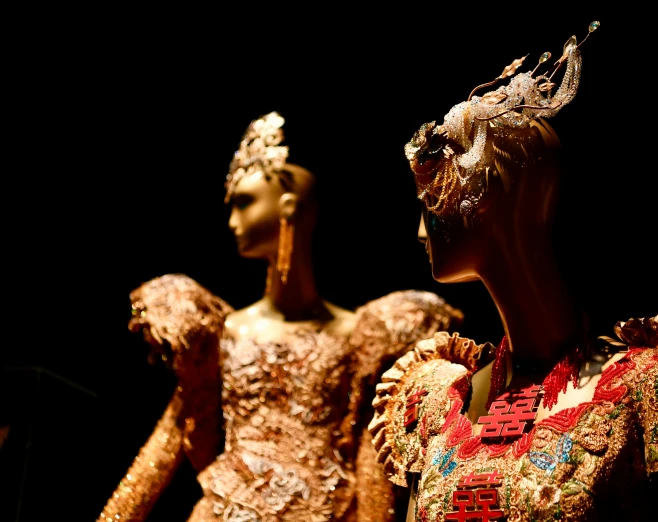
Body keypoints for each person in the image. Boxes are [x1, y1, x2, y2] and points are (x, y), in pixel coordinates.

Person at [369, 21, 658, 522]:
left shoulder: (648, 390)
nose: (420, 231)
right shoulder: (437, 402)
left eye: (431, 203)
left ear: (492, 205)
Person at [98, 112, 463, 522]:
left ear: (289, 206)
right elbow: (169, 440)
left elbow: (369, 456)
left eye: (244, 202)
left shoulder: (360, 334)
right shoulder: (222, 331)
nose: (233, 222)